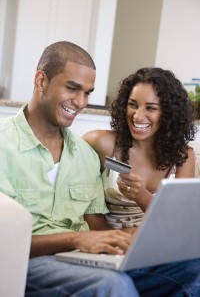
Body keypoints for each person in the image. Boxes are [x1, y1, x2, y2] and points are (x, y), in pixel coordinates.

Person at [0, 42, 199, 297]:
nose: (81, 102)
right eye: (72, 88)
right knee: (111, 285)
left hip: (83, 260)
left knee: (192, 269)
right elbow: (6, 241)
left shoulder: (84, 154)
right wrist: (76, 240)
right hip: (29, 263)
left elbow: (95, 225)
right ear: (41, 81)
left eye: (88, 93)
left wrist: (121, 239)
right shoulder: (5, 143)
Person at [83, 67, 197, 229]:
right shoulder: (101, 144)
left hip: (159, 242)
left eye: (150, 108)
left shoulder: (182, 156)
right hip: (109, 243)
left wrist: (142, 196)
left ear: (169, 113)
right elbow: (85, 211)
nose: (137, 116)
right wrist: (118, 239)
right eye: (133, 105)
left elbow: (177, 222)